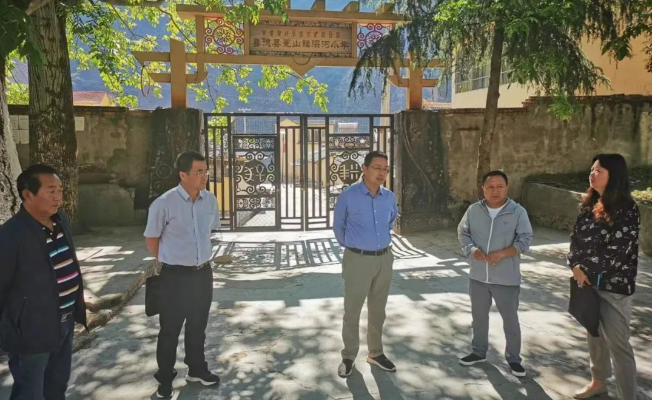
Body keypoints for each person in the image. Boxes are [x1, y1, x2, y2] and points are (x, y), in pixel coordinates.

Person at [0, 164, 87, 400]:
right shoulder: (10, 234)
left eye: (60, 190)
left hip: (65, 322)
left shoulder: (61, 220)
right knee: (30, 392)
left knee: (57, 386)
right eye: (51, 191)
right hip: (31, 330)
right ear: (28, 195)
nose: (58, 197)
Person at [144, 151, 221, 398]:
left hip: (203, 273)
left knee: (198, 326)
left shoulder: (209, 200)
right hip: (174, 277)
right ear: (183, 175)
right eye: (199, 172)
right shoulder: (164, 203)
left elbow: (209, 232)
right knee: (170, 330)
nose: (205, 176)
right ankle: (165, 380)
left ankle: (197, 369)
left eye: (206, 171)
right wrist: (168, 259)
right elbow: (151, 238)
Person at [567, 154, 640, 400]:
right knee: (594, 335)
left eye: (598, 170)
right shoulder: (588, 204)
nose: (592, 174)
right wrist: (575, 264)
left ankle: (628, 395)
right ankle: (598, 382)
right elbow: (575, 240)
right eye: (592, 169)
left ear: (614, 175)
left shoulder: (627, 209)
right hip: (587, 284)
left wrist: (586, 270)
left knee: (618, 345)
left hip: (614, 287)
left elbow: (619, 251)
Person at [457, 170, 533, 377]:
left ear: (507, 188)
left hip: (506, 278)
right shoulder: (473, 210)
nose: (495, 191)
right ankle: (478, 352)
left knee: (510, 321)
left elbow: (525, 239)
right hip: (478, 276)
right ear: (483, 189)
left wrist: (501, 254)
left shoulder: (517, 212)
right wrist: (472, 250)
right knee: (479, 318)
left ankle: (514, 359)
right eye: (490, 187)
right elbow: (463, 232)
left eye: (500, 186)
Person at [333, 150, 398, 378]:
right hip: (357, 260)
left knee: (378, 310)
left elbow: (391, 221)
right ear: (365, 168)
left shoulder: (389, 197)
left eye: (385, 169)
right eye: (377, 168)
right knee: (352, 310)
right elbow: (338, 227)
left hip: (384, 259)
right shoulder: (348, 196)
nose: (382, 173)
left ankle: (376, 353)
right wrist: (355, 247)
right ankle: (349, 355)